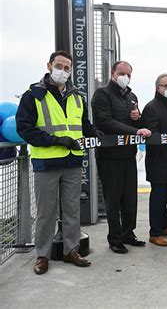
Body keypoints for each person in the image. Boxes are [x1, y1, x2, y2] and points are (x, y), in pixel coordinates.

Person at [16, 50, 98, 274]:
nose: (63, 71)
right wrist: (57, 140)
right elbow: (25, 129)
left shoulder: (77, 97)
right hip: (46, 164)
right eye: (59, 66)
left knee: (72, 210)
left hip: (72, 162)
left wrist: (95, 133)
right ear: (49, 66)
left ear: (71, 71)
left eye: (67, 68)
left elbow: (83, 124)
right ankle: (42, 255)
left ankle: (71, 250)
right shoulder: (33, 95)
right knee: (46, 213)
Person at [91, 61, 151, 254]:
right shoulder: (102, 94)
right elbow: (105, 122)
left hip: (128, 154)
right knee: (113, 199)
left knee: (129, 198)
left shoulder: (132, 96)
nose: (125, 77)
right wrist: (135, 130)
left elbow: (138, 122)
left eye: (128, 74)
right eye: (122, 73)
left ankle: (128, 233)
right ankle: (115, 238)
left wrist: (137, 118)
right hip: (109, 156)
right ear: (113, 73)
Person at [141, 73, 167, 247]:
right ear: (157, 88)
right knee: (158, 197)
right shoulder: (152, 107)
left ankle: (164, 226)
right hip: (158, 161)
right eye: (166, 86)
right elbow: (152, 134)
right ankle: (155, 232)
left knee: (165, 196)